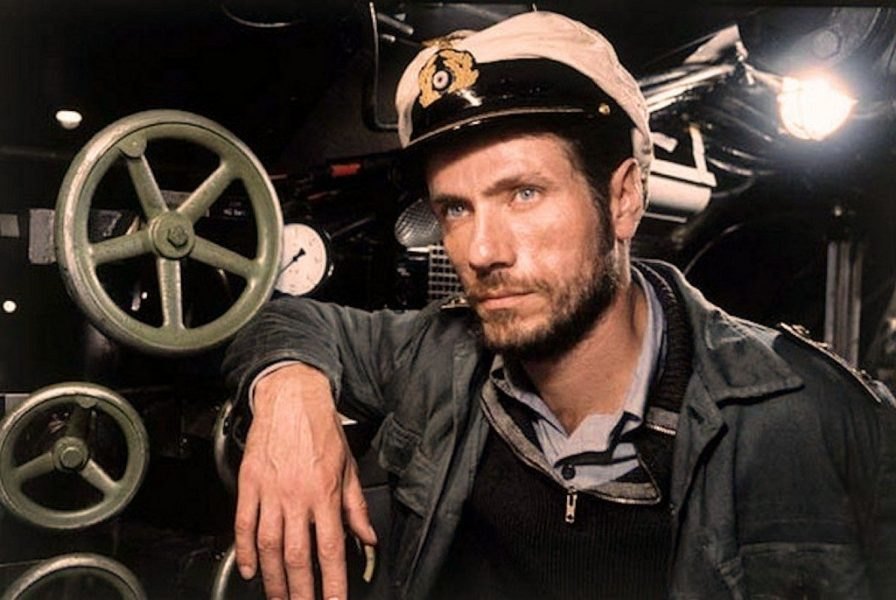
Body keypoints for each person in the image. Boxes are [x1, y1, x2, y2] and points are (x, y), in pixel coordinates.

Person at [223, 10, 896, 600]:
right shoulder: (435, 358)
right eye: (455, 208)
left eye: (523, 194)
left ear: (624, 199)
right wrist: (288, 394)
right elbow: (288, 318)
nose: (480, 251)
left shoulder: (814, 417)